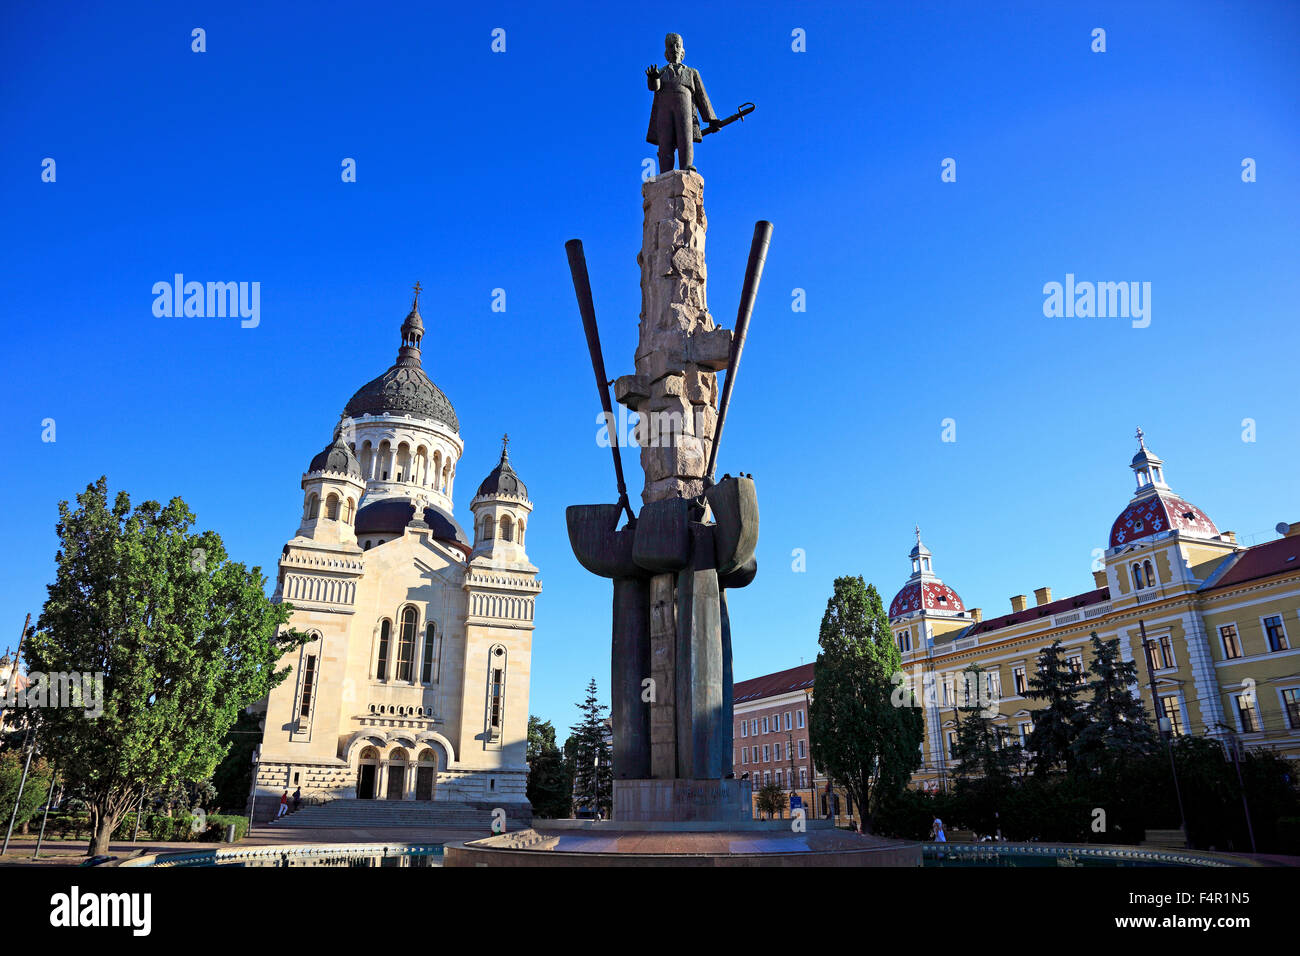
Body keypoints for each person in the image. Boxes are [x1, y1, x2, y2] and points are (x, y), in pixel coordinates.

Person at [645, 33, 720, 173]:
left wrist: (711, 119)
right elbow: (654, 87)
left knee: (685, 136)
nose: (674, 48)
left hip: (684, 107)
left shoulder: (692, 72)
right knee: (665, 140)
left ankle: (686, 166)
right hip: (664, 110)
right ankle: (665, 171)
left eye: (677, 46)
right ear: (666, 53)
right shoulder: (660, 72)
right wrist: (653, 78)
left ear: (683, 52)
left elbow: (701, 95)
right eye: (670, 46)